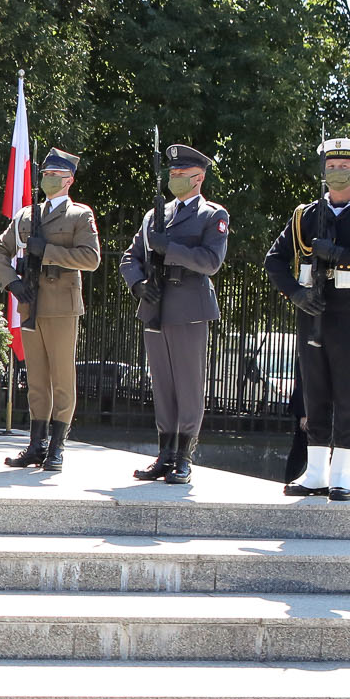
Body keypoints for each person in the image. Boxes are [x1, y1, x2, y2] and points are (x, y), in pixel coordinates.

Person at [265, 136, 350, 500]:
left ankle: (342, 476)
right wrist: (296, 293)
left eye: (344, 167)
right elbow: (274, 260)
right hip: (313, 310)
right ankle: (315, 473)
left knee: (347, 392)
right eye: (331, 167)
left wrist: (339, 253)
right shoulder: (306, 215)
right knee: (315, 391)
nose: (336, 172)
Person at [120, 144, 228, 484]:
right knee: (162, 384)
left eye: (182, 173)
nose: (175, 178)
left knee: (188, 384)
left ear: (199, 178)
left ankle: (184, 457)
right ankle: (165, 454)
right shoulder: (155, 215)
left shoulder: (212, 215)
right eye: (172, 173)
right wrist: (138, 284)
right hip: (155, 305)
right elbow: (130, 257)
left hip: (188, 308)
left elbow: (211, 261)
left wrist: (171, 249)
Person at [0, 147, 100, 472]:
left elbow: (91, 258)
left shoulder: (79, 215)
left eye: (55, 175)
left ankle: (56, 447)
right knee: (36, 378)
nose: (48, 179)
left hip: (62, 305)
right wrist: (12, 283)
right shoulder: (26, 215)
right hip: (30, 302)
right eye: (46, 174)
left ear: (69, 180)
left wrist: (47, 251)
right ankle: (36, 445)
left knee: (62, 377)